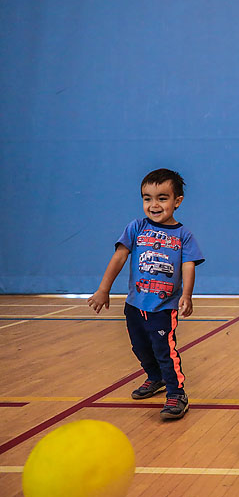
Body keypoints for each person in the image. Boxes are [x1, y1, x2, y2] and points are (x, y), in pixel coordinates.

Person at [88, 168, 204, 421]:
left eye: (162, 198)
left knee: (165, 350)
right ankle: (155, 377)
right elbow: (119, 257)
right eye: (147, 198)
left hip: (163, 307)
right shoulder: (136, 227)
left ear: (177, 201)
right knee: (140, 347)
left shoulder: (183, 236)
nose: (154, 205)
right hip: (135, 305)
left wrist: (186, 295)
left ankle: (176, 393)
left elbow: (188, 266)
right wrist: (103, 289)